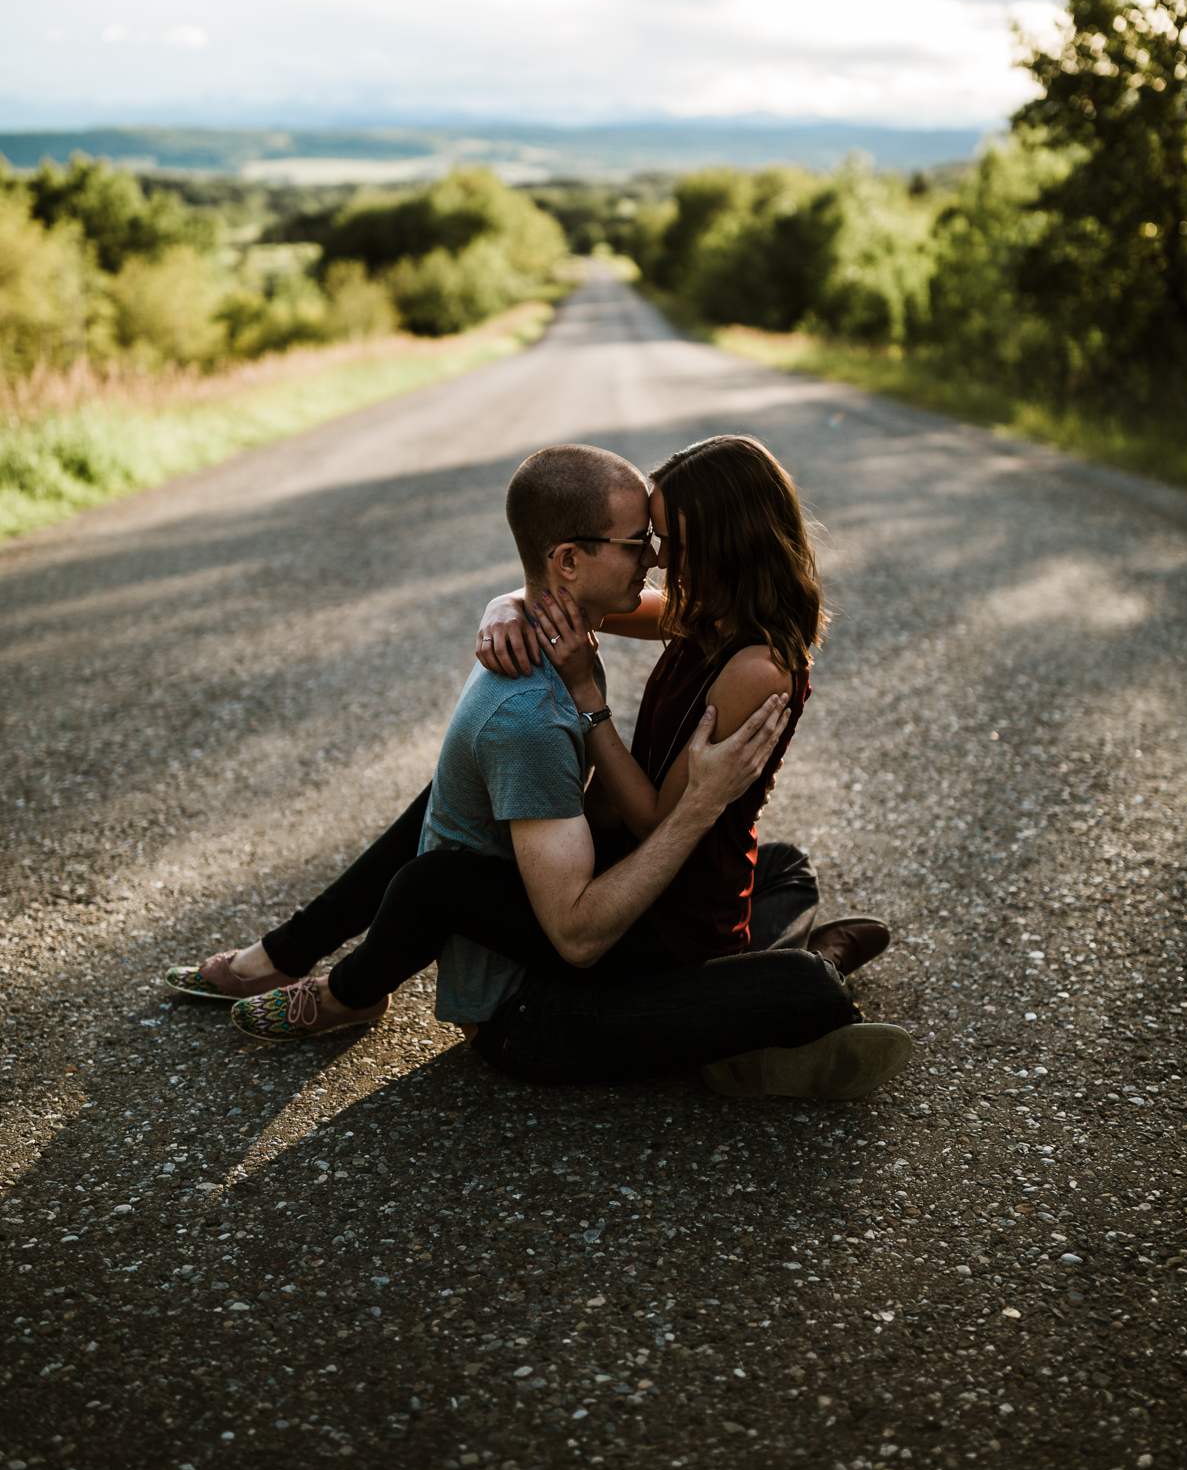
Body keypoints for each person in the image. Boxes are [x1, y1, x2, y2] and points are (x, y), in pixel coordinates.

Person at [167, 440, 911, 1099]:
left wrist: (591, 703)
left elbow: (659, 818)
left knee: (798, 974)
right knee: (787, 869)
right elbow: (569, 592)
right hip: (662, 862)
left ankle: (789, 983)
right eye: (647, 540)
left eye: (670, 543)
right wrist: (502, 605)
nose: (654, 559)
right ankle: (287, 953)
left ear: (728, 546)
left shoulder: (755, 665)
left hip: (668, 890)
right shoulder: (705, 612)